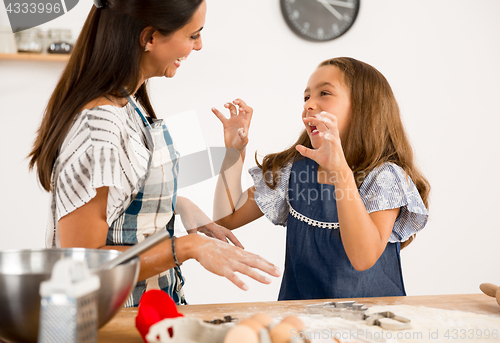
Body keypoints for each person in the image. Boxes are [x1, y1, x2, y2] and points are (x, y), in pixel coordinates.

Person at [27, 0, 280, 307]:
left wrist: (180, 205)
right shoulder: (99, 130)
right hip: (105, 325)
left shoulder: (128, 104)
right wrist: (186, 248)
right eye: (193, 35)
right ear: (148, 38)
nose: (199, 46)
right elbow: (82, 264)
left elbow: (125, 196)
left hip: (147, 316)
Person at [212, 57, 430, 301]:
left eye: (324, 93)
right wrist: (233, 152)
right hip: (300, 324)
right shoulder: (294, 171)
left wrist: (340, 171)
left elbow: (362, 258)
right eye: (306, 97)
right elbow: (226, 217)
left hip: (369, 326)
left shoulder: (385, 177)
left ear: (364, 107)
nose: (309, 105)